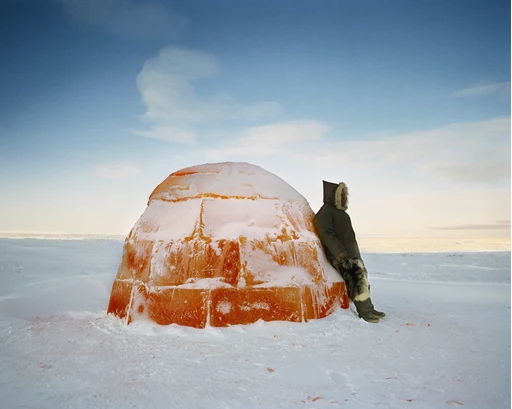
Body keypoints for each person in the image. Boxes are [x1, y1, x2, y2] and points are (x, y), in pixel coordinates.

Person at [314, 181, 385, 323]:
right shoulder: (325, 212)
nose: (344, 198)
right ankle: (364, 312)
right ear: (333, 195)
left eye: (344, 195)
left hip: (352, 253)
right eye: (341, 194)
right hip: (342, 255)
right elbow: (326, 234)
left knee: (363, 279)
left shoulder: (339, 212)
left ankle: (369, 308)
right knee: (356, 282)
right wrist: (340, 253)